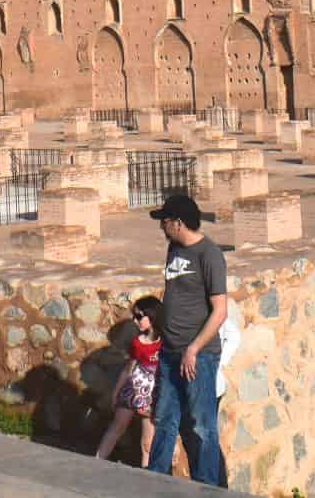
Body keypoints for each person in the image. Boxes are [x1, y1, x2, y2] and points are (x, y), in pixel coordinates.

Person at [145, 193, 227, 487]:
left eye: (164, 222)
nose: (161, 228)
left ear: (178, 223)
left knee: (202, 426)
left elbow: (220, 311)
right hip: (170, 353)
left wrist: (193, 349)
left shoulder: (210, 255)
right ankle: (155, 480)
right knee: (165, 419)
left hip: (199, 357)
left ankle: (206, 487)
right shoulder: (173, 249)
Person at [94, 296, 163, 463]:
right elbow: (129, 368)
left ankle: (146, 473)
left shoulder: (165, 342)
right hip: (133, 389)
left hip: (153, 392)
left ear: (152, 316)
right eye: (134, 316)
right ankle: (97, 460)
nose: (135, 320)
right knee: (117, 427)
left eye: (139, 316)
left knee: (148, 441)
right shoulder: (137, 343)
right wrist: (116, 392)